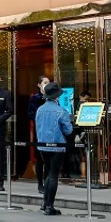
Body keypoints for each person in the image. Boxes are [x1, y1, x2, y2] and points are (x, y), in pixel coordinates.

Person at [35, 82, 73, 215]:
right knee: (53, 175)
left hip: (42, 146)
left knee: (48, 172)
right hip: (57, 146)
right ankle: (49, 206)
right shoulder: (61, 111)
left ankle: (45, 203)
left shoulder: (39, 109)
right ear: (57, 97)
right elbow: (68, 130)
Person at [28, 75, 50, 194]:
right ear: (39, 84)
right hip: (40, 130)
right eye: (45, 82)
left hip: (51, 131)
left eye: (48, 82)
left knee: (49, 160)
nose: (47, 84)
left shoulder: (52, 97)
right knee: (40, 159)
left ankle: (48, 182)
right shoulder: (35, 98)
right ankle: (40, 184)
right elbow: (31, 114)